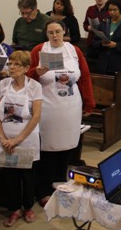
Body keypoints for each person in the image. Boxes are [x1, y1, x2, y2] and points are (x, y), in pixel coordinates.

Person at [28, 19, 94, 206]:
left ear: (64, 32)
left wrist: (89, 102)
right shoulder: (38, 50)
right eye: (51, 32)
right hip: (48, 108)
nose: (55, 35)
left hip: (70, 107)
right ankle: (43, 189)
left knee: (66, 147)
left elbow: (85, 77)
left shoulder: (74, 51)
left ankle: (60, 183)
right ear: (46, 34)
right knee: (47, 149)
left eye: (58, 31)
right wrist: (36, 72)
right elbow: (27, 78)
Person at [0, 50, 42, 226]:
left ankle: (28, 207)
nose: (11, 67)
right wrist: (3, 137)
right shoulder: (3, 84)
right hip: (6, 139)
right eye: (10, 64)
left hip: (26, 139)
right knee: (10, 175)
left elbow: (36, 116)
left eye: (16, 64)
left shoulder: (35, 86)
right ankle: (14, 209)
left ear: (26, 68)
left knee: (28, 176)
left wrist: (18, 139)